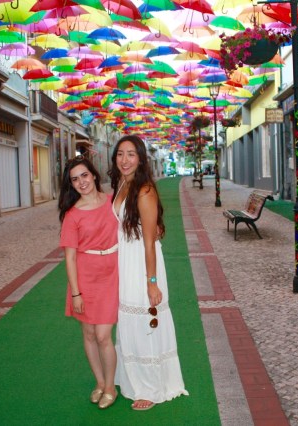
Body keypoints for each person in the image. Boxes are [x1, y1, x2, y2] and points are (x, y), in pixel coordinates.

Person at [109, 135, 189, 411]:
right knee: (130, 320)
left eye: (131, 154)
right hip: (125, 261)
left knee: (146, 319)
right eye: (120, 154)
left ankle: (152, 387)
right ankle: (133, 379)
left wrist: (152, 282)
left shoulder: (144, 191)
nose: (125, 160)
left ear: (141, 159)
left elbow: (149, 242)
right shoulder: (122, 184)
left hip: (142, 263)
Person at [58, 155, 119, 410]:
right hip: (85, 277)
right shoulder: (72, 215)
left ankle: (111, 386)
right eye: (75, 179)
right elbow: (70, 257)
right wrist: (76, 293)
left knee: (103, 335)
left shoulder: (113, 200)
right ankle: (100, 382)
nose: (81, 182)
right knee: (89, 334)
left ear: (94, 175)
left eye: (84, 175)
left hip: (112, 272)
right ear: (71, 185)